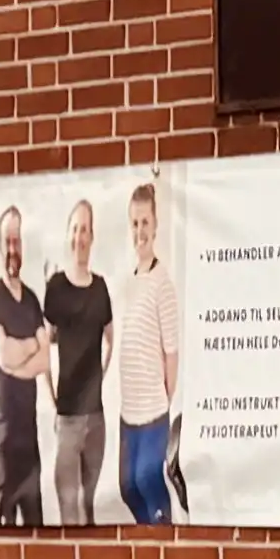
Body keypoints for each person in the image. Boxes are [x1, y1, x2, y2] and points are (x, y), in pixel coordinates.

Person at [37, 197, 116, 530]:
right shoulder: (55, 287)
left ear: (91, 237)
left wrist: (100, 376)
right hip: (67, 419)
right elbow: (45, 342)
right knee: (68, 514)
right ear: (68, 234)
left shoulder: (100, 289)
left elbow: (111, 338)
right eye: (75, 228)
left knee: (90, 509)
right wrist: (50, 393)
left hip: (96, 420)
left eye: (85, 229)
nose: (79, 236)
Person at [113, 177, 184, 523]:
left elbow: (172, 353)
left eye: (146, 223)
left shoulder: (163, 284)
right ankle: (150, 535)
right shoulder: (128, 280)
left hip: (153, 413)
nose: (140, 230)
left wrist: (163, 401)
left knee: (147, 480)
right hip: (128, 414)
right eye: (135, 223)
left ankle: (164, 541)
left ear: (155, 227)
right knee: (127, 486)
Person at [0, 203, 49, 528]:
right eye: (7, 241)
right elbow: (3, 355)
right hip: (4, 445)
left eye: (17, 241)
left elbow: (46, 360)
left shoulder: (32, 300)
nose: (12, 249)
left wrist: (25, 354)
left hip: (29, 442)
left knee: (38, 539)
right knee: (1, 548)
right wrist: (33, 346)